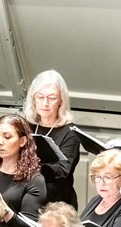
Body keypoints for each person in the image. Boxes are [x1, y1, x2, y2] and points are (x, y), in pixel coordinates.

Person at [23, 69, 80, 208]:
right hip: (27, 195)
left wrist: (31, 168)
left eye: (52, 98)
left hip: (57, 201)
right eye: (40, 97)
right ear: (33, 99)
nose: (45, 103)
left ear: (61, 100)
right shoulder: (26, 126)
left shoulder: (70, 132)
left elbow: (63, 169)